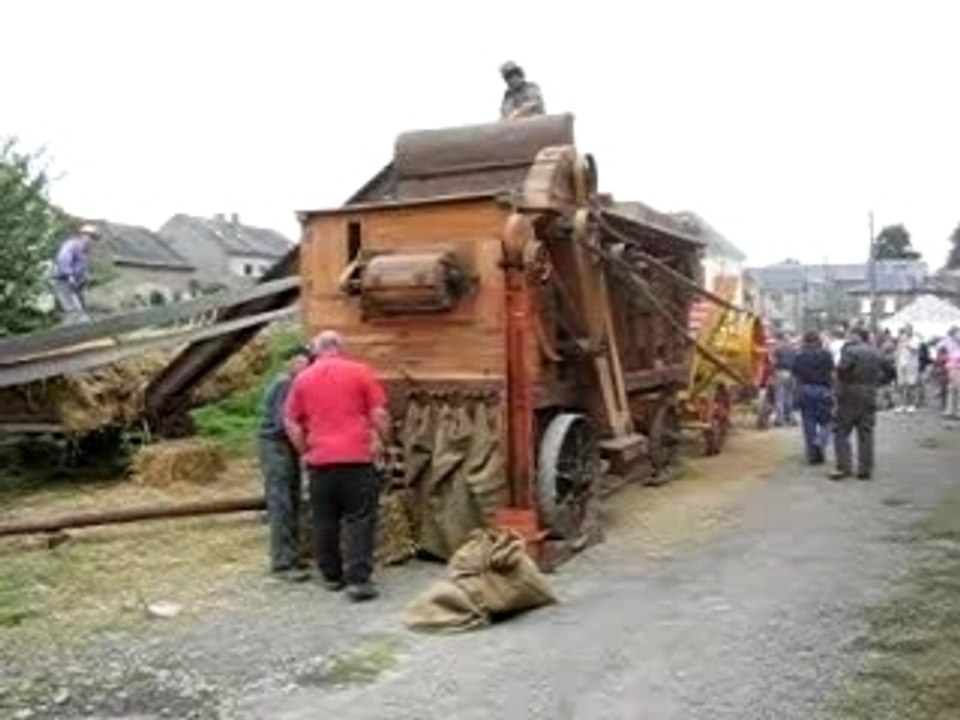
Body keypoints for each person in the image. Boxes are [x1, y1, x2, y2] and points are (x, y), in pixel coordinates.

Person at [284, 330, 389, 602]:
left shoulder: (302, 379)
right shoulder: (360, 371)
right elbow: (378, 413)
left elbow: (291, 422)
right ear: (340, 348)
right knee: (360, 518)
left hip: (320, 461)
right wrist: (384, 441)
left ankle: (331, 576)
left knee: (324, 519)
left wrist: (304, 451)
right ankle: (358, 580)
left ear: (316, 351)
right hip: (357, 457)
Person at [258, 344, 314, 582]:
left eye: (307, 362)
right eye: (300, 362)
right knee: (281, 502)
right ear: (291, 363)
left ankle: (292, 555)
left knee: (293, 499)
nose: (305, 367)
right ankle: (282, 563)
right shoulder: (285, 384)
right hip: (276, 446)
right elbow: (286, 423)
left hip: (286, 446)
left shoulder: (296, 384)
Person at [831, 327, 884, 481]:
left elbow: (842, 369)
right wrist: (876, 383)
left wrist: (844, 381)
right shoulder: (876, 352)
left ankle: (844, 466)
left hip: (850, 393)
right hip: (870, 393)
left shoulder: (850, 351)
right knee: (866, 433)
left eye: (851, 335)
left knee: (841, 430)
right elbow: (889, 370)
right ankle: (865, 469)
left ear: (856, 336)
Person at [792, 331, 835, 464]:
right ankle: (820, 442)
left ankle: (812, 455)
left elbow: (796, 377)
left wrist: (796, 394)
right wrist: (833, 391)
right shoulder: (826, 355)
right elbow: (832, 373)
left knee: (808, 423)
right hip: (823, 389)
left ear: (805, 341)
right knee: (827, 421)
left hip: (805, 390)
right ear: (818, 341)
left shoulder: (800, 356)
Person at [50, 223, 100, 324]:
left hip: (73, 284)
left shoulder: (84, 252)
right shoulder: (72, 245)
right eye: (90, 237)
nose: (92, 241)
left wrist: (84, 279)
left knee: (80, 313)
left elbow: (81, 269)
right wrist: (69, 276)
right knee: (73, 311)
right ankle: (64, 337)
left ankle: (81, 335)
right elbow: (63, 258)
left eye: (94, 239)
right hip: (62, 280)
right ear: (83, 235)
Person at [771, 332, 798, 426]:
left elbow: (773, 362)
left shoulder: (778, 350)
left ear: (781, 340)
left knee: (779, 397)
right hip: (791, 374)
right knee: (789, 396)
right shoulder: (794, 350)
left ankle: (780, 419)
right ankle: (790, 417)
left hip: (780, 372)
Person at [894, 325, 921, 413]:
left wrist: (907, 343)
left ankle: (911, 405)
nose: (906, 332)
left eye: (908, 330)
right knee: (901, 386)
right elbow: (898, 351)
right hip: (901, 364)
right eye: (905, 330)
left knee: (911, 385)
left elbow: (915, 349)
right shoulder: (901, 339)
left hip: (911, 365)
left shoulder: (915, 339)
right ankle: (901, 405)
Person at [938, 326, 960, 419]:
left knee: (958, 389)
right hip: (951, 366)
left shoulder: (957, 338)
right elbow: (939, 346)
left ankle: (957, 410)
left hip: (957, 366)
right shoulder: (948, 341)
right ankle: (950, 410)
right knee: (951, 388)